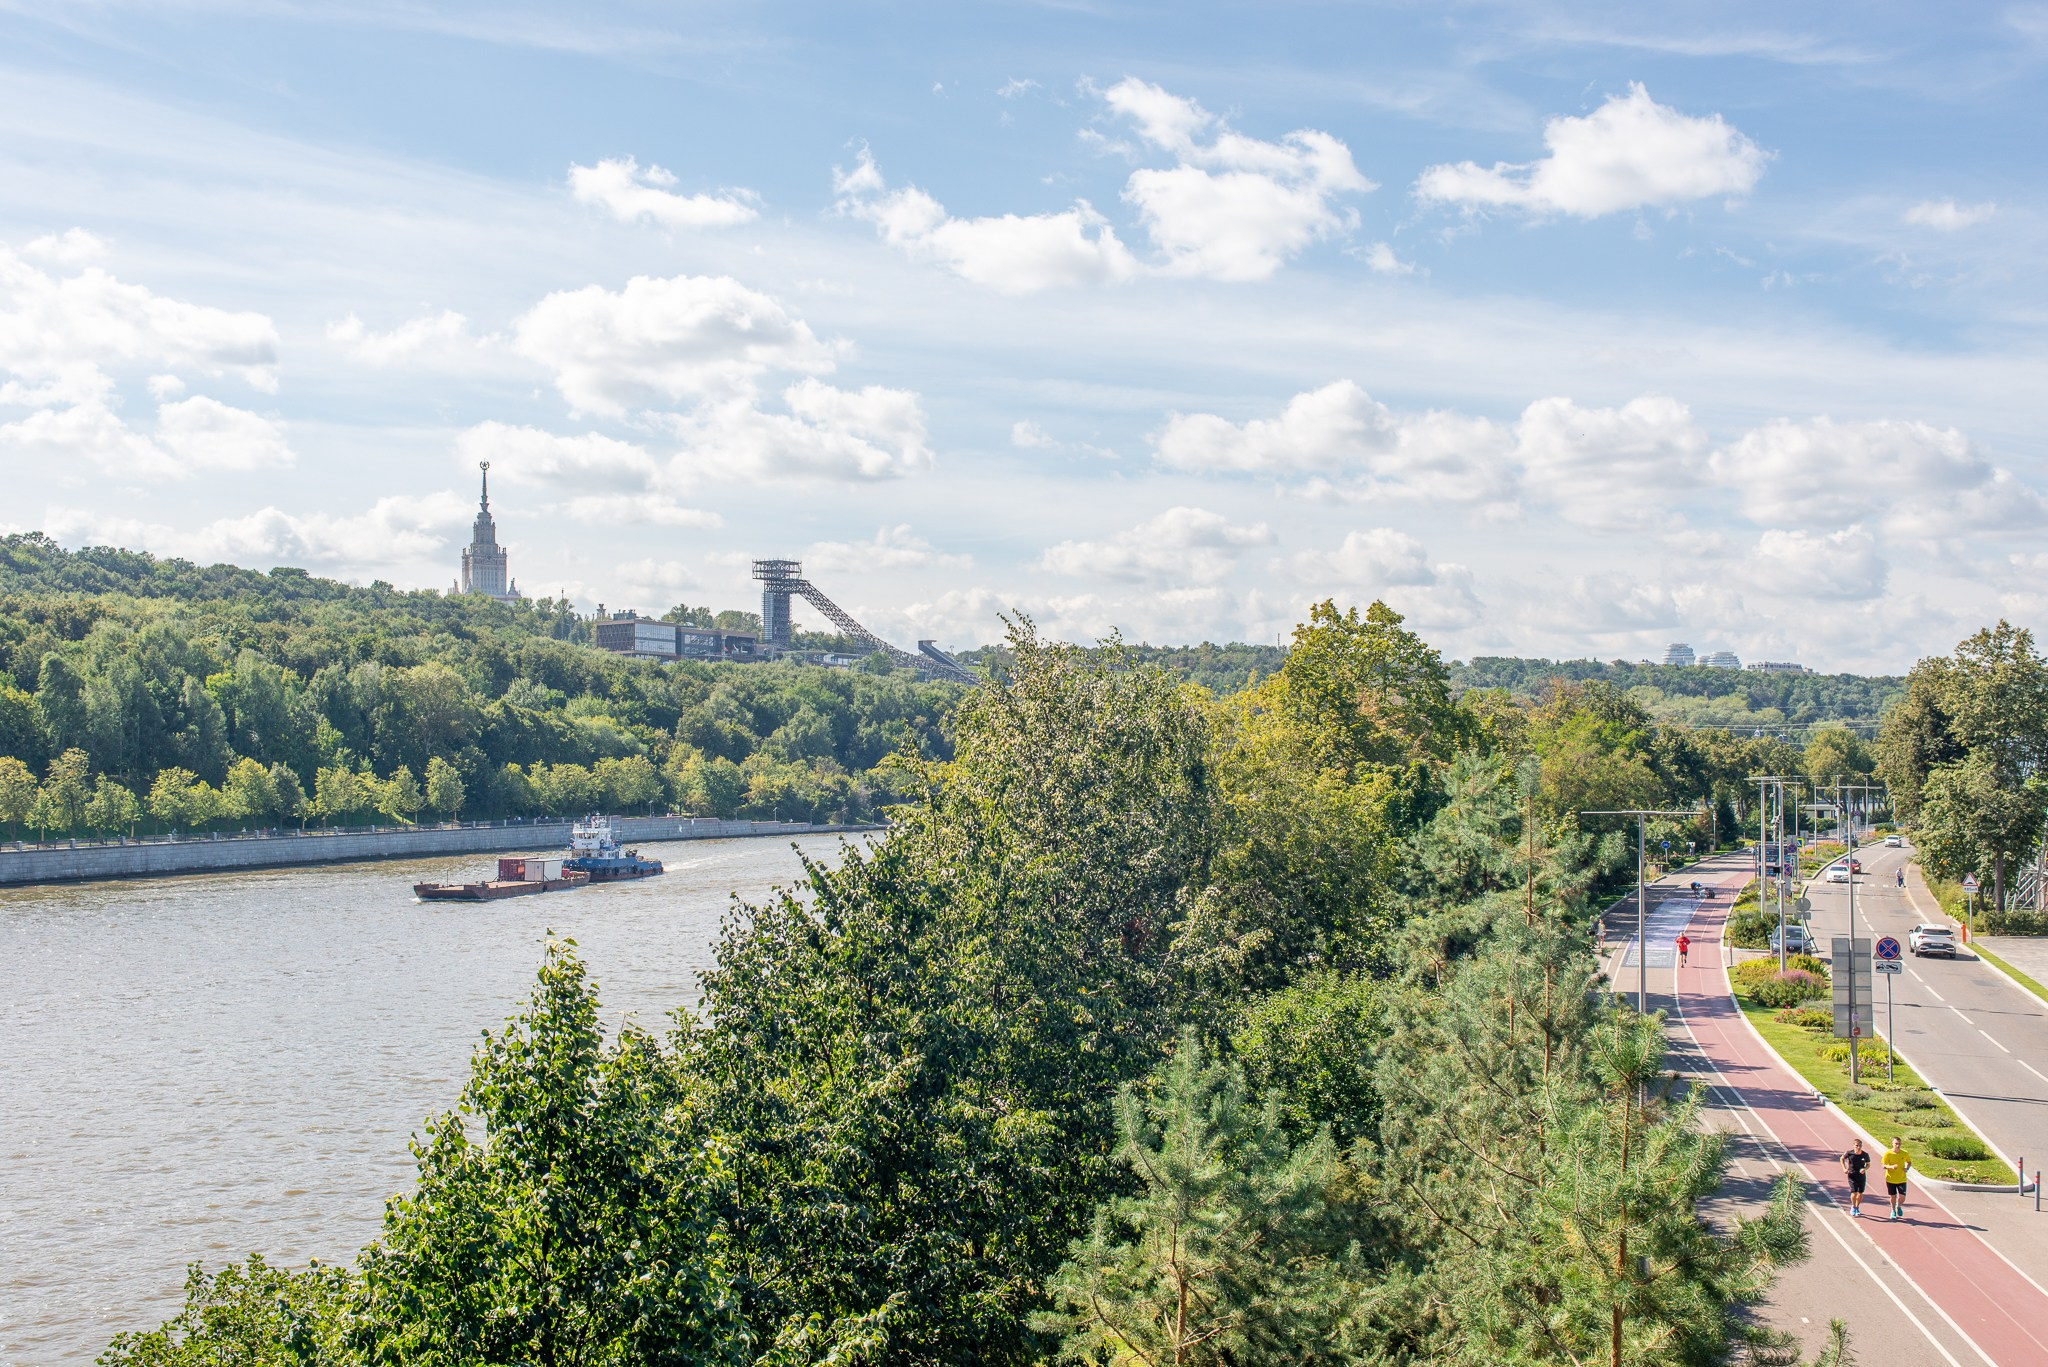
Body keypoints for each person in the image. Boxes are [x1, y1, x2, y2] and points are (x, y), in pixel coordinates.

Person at [1883, 1136, 1913, 1220]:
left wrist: (1907, 1168)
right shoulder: (1888, 1154)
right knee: (1893, 1196)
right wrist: (1891, 1167)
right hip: (1890, 1178)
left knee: (1902, 1197)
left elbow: (1909, 1162)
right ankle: (1893, 1210)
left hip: (1901, 1178)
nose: (1897, 1145)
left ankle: (1898, 1206)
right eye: (1896, 1144)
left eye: (1899, 1144)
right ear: (1892, 1144)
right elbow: (1883, 1165)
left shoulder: (1904, 1153)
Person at [1841, 1139, 1871, 1217]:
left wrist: (1864, 1169)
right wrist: (1844, 1168)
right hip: (1852, 1175)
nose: (1858, 1147)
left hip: (1861, 1175)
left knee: (1860, 1192)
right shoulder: (1849, 1153)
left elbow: (1868, 1164)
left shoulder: (1865, 1155)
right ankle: (1853, 1206)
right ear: (1853, 1145)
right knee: (1854, 1192)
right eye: (1857, 1145)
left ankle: (1857, 1207)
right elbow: (1842, 1158)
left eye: (1860, 1145)